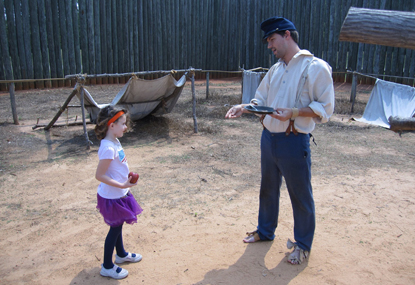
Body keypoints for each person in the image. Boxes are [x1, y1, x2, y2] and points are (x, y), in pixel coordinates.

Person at [225, 16, 334, 265]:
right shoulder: (275, 69)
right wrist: (244, 107)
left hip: (294, 141)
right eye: (267, 41)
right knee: (268, 189)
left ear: (287, 35)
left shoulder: (315, 67)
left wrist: (294, 113)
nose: (269, 46)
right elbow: (261, 99)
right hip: (268, 138)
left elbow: (326, 109)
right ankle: (265, 231)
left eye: (272, 39)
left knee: (300, 195)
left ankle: (303, 244)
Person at [94, 105, 143, 279]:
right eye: (122, 124)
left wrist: (125, 181)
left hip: (119, 193)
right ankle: (107, 266)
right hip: (112, 196)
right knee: (114, 229)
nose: (125, 127)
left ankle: (121, 254)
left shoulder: (115, 140)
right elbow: (99, 175)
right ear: (111, 125)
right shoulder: (108, 147)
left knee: (119, 224)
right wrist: (122, 185)